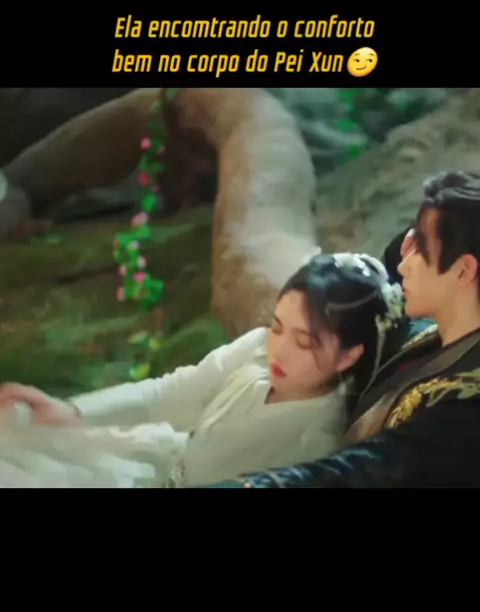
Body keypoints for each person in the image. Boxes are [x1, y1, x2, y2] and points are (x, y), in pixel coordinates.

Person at [0, 250, 404, 488]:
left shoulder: (313, 442)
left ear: (348, 356)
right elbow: (176, 391)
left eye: (303, 342)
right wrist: (73, 411)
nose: (278, 349)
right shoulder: (258, 347)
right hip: (155, 461)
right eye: (278, 326)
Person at [203, 170, 480, 488]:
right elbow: (395, 259)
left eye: (421, 249)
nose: (406, 262)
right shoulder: (444, 327)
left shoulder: (464, 410)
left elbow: (361, 473)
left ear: (464, 270)